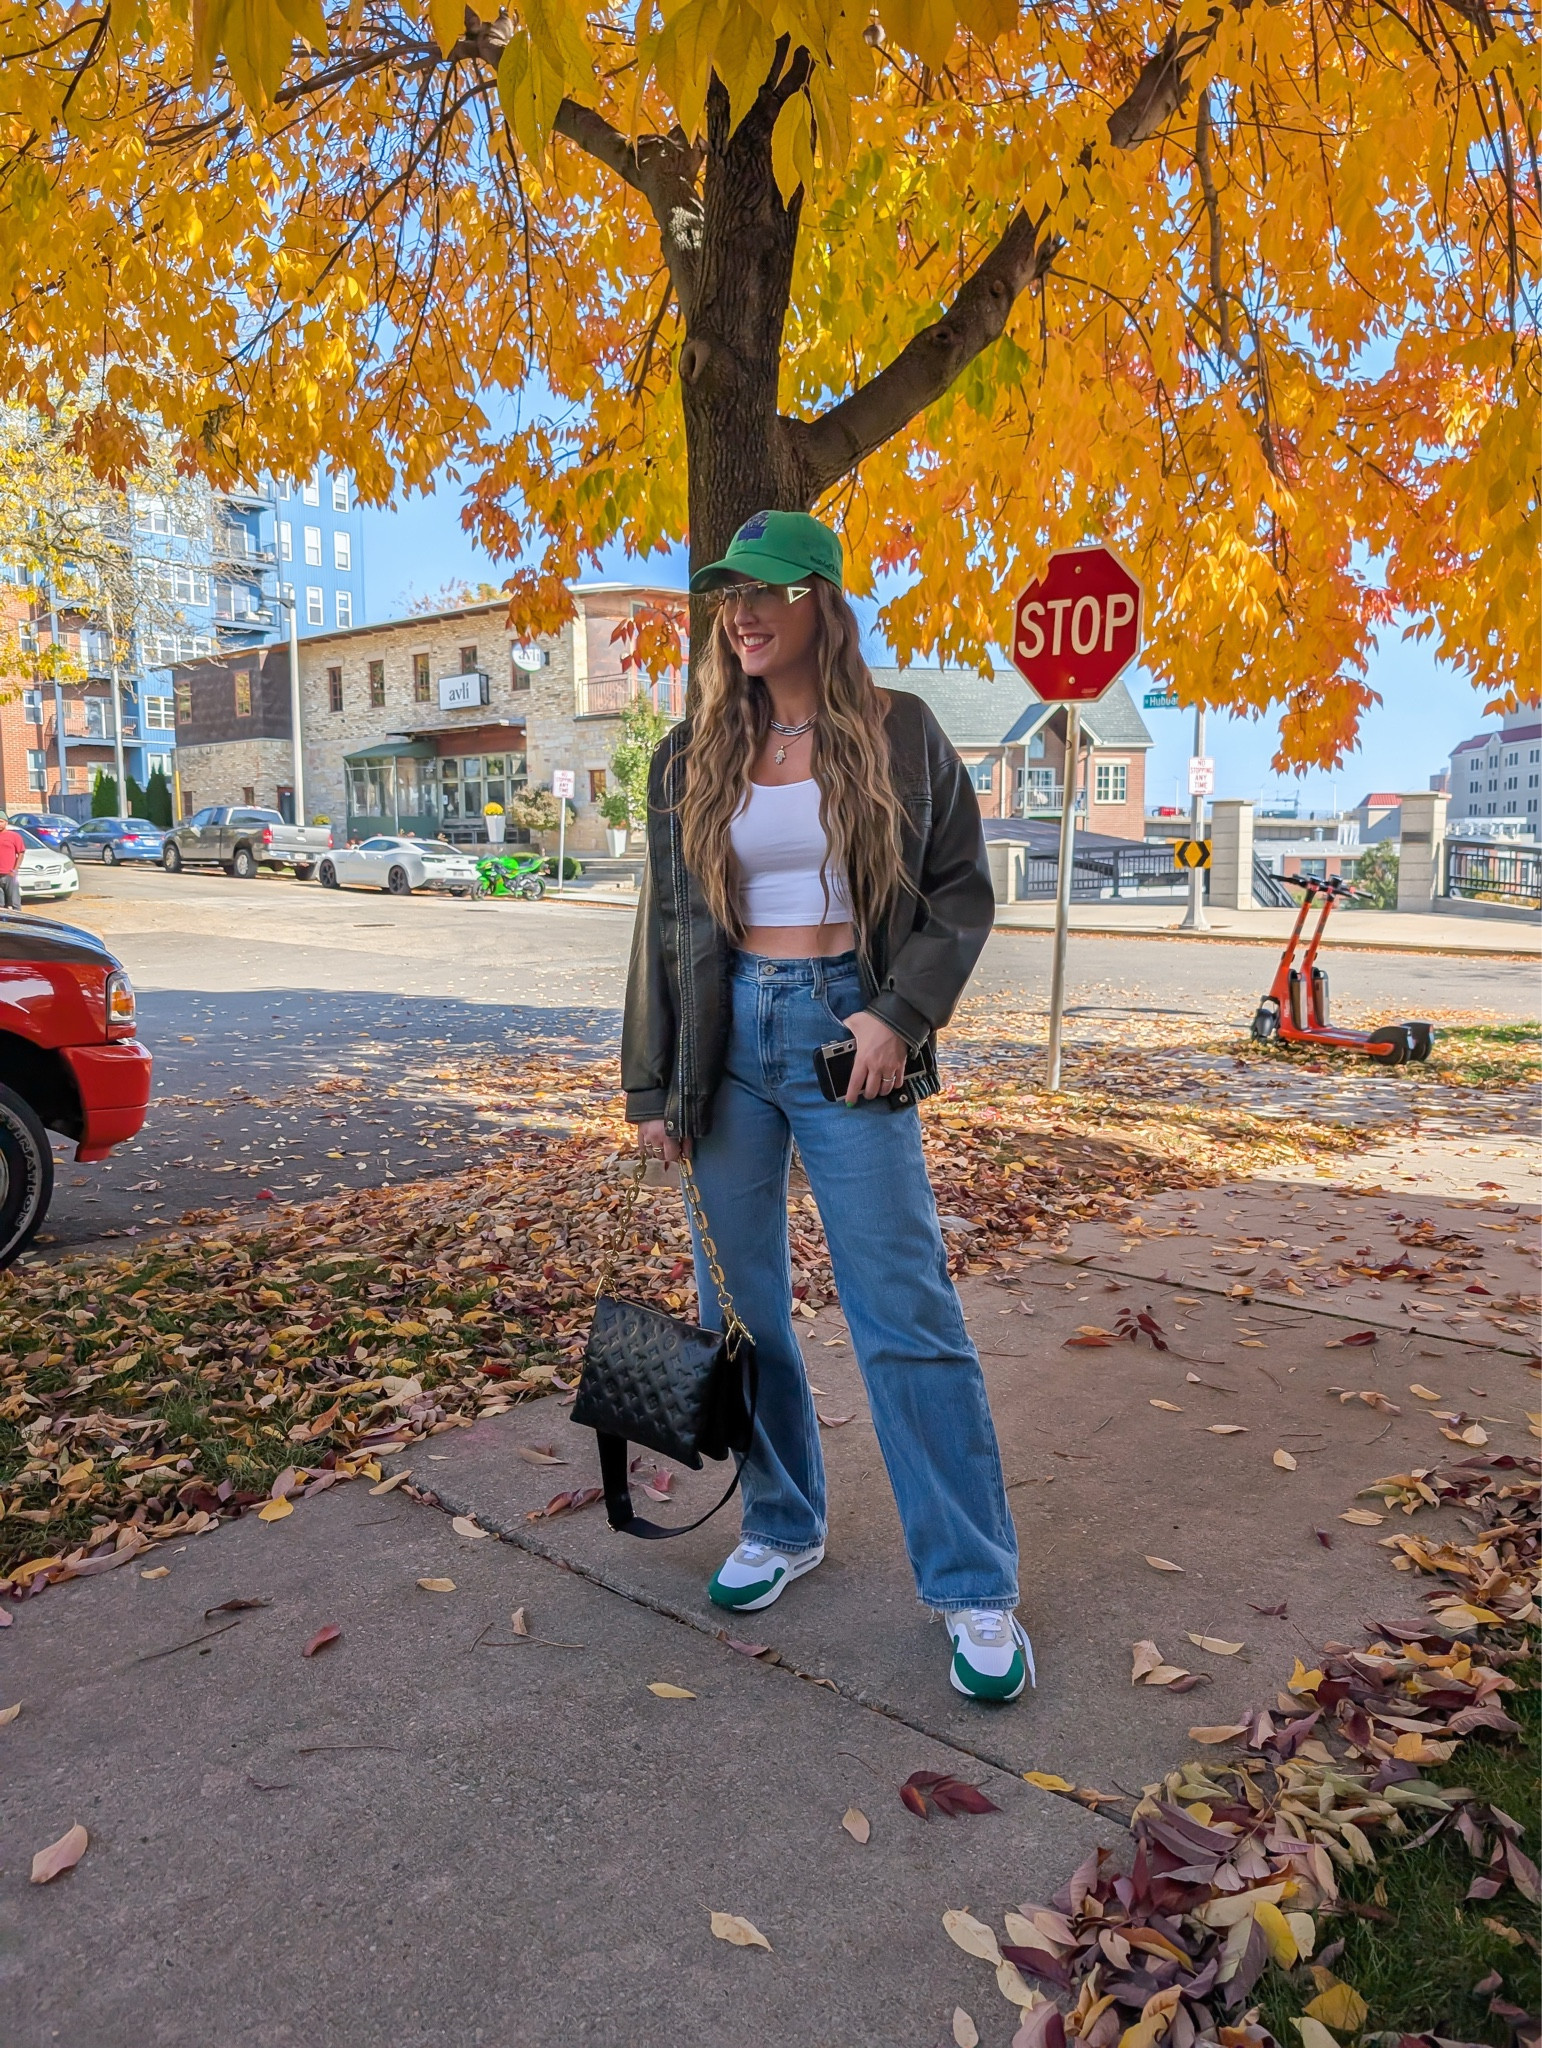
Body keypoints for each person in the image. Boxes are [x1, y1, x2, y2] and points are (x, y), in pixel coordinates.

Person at [622, 511, 1031, 1703]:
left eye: (765, 590)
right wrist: (652, 1082)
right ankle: (784, 1518)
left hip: (849, 1033)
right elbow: (663, 928)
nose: (740, 613)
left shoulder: (899, 732)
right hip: (726, 1039)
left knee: (904, 1307)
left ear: (821, 600)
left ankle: (972, 1582)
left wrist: (899, 1015)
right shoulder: (687, 752)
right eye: (726, 597)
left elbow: (959, 889)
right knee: (738, 1306)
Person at [0, 812, 27, 912]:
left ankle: (18, 922)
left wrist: (15, 870)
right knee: (1, 904)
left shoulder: (14, 836)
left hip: (10, 874)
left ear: (6, 823)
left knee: (15, 902)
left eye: (1, 821)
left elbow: (21, 853)